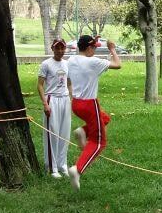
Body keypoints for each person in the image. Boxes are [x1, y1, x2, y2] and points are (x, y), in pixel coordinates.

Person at [66, 34, 121, 190]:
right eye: (94, 48)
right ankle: (77, 169)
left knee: (105, 119)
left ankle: (83, 131)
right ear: (89, 48)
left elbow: (68, 81)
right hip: (90, 105)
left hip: (76, 104)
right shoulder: (92, 62)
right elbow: (117, 64)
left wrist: (72, 96)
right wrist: (112, 49)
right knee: (99, 142)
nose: (95, 51)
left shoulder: (71, 60)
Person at [38, 39, 73, 179]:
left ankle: (62, 164)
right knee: (52, 133)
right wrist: (45, 104)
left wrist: (72, 98)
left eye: (62, 48)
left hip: (65, 99)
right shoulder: (46, 64)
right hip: (52, 99)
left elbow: (69, 83)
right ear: (53, 48)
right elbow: (40, 85)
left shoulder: (67, 64)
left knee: (64, 133)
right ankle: (52, 167)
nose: (60, 51)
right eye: (57, 48)